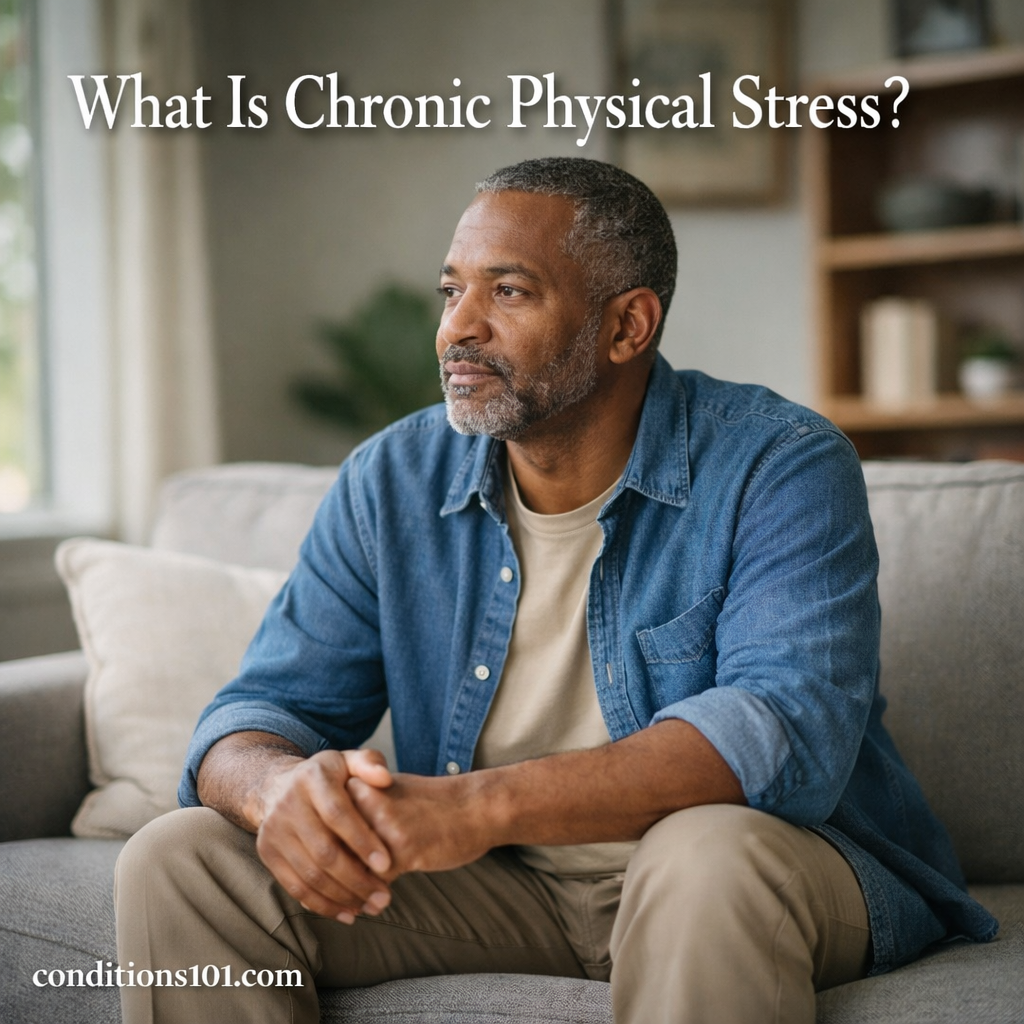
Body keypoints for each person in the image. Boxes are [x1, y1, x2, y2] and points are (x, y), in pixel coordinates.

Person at [115, 157, 995, 1024]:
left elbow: (783, 732)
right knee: (182, 857)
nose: (457, 328)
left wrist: (475, 808)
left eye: (508, 293)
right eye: (449, 290)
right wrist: (275, 791)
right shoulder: (393, 477)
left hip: (748, 868)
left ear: (627, 327)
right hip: (503, 889)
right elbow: (262, 707)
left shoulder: (781, 464)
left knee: (702, 852)